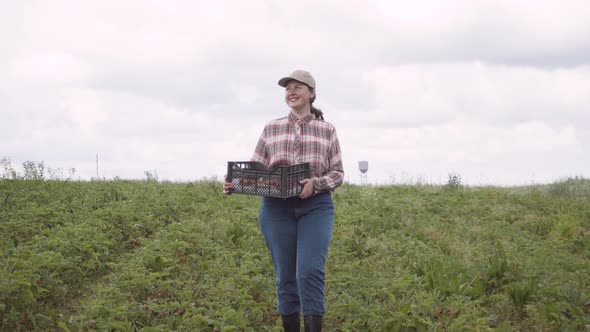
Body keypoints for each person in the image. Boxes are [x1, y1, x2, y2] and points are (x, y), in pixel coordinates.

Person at [224, 69, 344, 331]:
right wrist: (236, 181)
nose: (291, 91)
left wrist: (316, 184)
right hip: (276, 208)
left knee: (310, 271)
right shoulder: (272, 127)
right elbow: (256, 167)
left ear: (311, 93)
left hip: (316, 207)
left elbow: (337, 172)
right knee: (286, 277)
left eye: (298, 87)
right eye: (287, 88)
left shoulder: (327, 130)